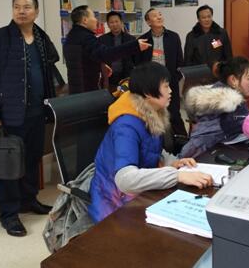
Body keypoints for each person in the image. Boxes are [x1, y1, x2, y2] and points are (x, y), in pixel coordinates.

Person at [87, 62, 213, 224]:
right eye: (166, 86)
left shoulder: (151, 114)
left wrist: (173, 162)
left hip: (140, 193)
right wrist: (177, 175)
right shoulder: (126, 127)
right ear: (147, 93)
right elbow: (125, 180)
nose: (171, 91)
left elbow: (151, 150)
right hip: (114, 203)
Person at [0, 0, 59, 237]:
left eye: (27, 7)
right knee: (9, 164)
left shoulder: (41, 38)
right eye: (17, 7)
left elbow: (50, 67)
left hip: (37, 111)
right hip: (10, 113)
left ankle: (28, 200)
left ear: (36, 12)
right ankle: (9, 214)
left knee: (32, 158)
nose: (21, 11)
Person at [64, 5, 150, 94]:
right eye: (93, 16)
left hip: (76, 87)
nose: (96, 20)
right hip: (86, 90)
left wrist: (101, 65)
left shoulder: (72, 35)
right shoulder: (86, 37)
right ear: (85, 20)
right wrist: (135, 45)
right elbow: (106, 54)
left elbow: (84, 58)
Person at [137, 8, 186, 141]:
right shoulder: (143, 40)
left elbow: (179, 59)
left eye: (160, 14)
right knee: (153, 114)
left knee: (174, 113)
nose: (159, 17)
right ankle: (158, 142)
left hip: (170, 81)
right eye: (154, 16)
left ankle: (182, 141)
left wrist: (176, 77)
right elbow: (140, 63)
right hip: (151, 83)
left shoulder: (173, 36)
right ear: (148, 22)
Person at [184, 4, 233, 72]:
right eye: (203, 17)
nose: (207, 20)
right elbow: (188, 59)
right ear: (198, 19)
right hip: (199, 73)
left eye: (209, 16)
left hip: (218, 72)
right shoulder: (191, 36)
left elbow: (228, 55)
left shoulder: (221, 33)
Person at [99, 11, 137, 90]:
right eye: (111, 22)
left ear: (121, 22)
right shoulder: (102, 40)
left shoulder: (131, 39)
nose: (115, 24)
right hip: (109, 78)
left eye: (117, 21)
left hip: (126, 77)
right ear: (108, 24)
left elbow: (135, 59)